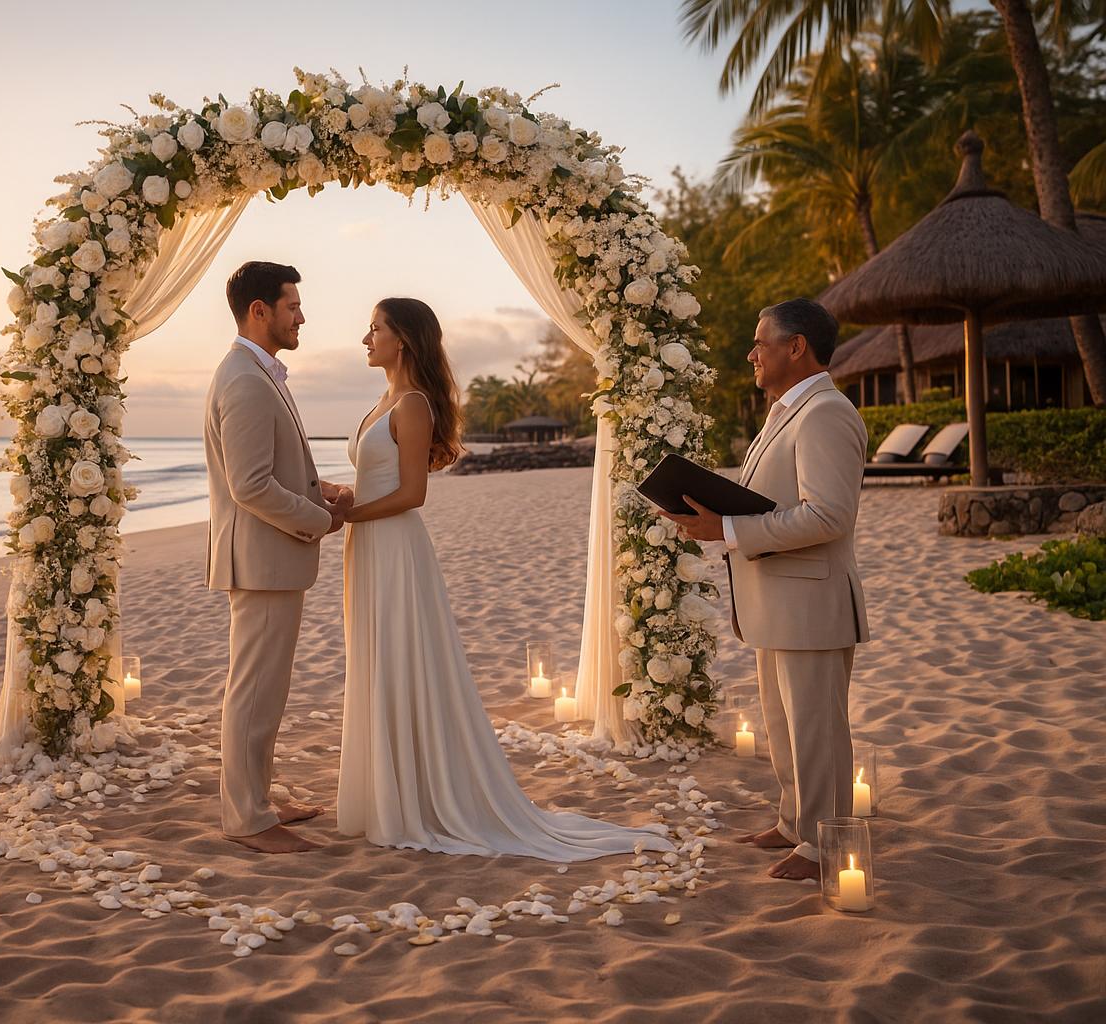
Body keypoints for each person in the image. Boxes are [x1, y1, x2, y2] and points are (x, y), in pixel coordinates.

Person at [336, 296, 671, 861]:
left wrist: (348, 513)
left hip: (394, 548)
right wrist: (339, 495)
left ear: (404, 341)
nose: (365, 339)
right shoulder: (383, 400)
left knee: (399, 657)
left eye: (375, 329)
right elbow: (375, 481)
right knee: (376, 658)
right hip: (369, 543)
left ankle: (418, 795)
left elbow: (413, 494)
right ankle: (387, 788)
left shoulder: (413, 404)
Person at [660, 298, 870, 881]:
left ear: (796, 346)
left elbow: (829, 516)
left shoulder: (826, 413)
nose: (752, 354)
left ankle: (826, 843)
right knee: (782, 724)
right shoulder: (783, 414)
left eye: (761, 343)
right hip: (775, 598)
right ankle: (794, 823)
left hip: (811, 600)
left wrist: (727, 529)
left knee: (816, 729)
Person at [202, 261, 350, 854]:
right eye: (292, 305)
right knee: (255, 689)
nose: (302, 315)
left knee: (267, 687)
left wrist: (323, 490)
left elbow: (276, 469)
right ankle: (245, 819)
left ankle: (258, 800)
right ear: (258, 310)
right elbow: (251, 486)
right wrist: (320, 520)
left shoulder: (259, 372)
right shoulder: (242, 378)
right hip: (260, 560)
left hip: (268, 557)